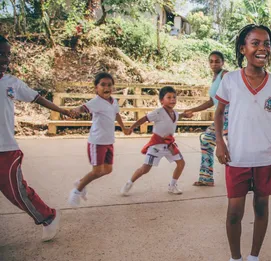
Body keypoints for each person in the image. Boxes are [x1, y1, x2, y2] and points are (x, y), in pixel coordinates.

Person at [214, 24, 271, 261]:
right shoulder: (230, 80)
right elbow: (219, 113)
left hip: (266, 156)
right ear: (243, 48)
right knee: (234, 213)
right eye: (255, 43)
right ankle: (235, 258)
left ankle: (253, 257)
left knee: (261, 208)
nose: (262, 49)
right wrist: (220, 141)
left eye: (267, 44)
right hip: (237, 157)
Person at [0, 35, 75, 241]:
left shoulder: (11, 83)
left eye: (7, 55)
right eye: (1, 54)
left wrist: (63, 111)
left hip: (6, 150)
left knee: (16, 192)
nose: (5, 60)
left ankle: (49, 217)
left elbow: (37, 98)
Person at [68, 72, 128, 207]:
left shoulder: (114, 101)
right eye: (103, 85)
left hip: (109, 141)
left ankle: (81, 182)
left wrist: (123, 128)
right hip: (97, 142)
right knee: (96, 171)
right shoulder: (96, 102)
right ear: (96, 88)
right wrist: (75, 111)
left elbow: (117, 114)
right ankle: (76, 191)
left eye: (109, 85)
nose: (106, 87)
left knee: (107, 170)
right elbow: (83, 108)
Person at [120, 86, 192, 195]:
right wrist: (131, 127)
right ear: (161, 100)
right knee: (145, 168)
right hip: (157, 145)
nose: (172, 99)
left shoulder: (175, 113)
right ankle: (129, 183)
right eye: (169, 97)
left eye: (174, 97)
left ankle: (172, 186)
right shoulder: (158, 112)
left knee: (181, 163)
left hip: (169, 145)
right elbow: (144, 119)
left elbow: (178, 116)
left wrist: (185, 115)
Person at [185, 51, 229, 187]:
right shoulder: (215, 78)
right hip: (220, 116)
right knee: (206, 139)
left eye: (217, 61)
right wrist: (193, 110)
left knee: (235, 146)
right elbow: (211, 101)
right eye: (211, 61)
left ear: (222, 62)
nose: (214, 63)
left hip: (230, 115)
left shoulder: (225, 75)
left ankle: (246, 179)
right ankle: (206, 178)